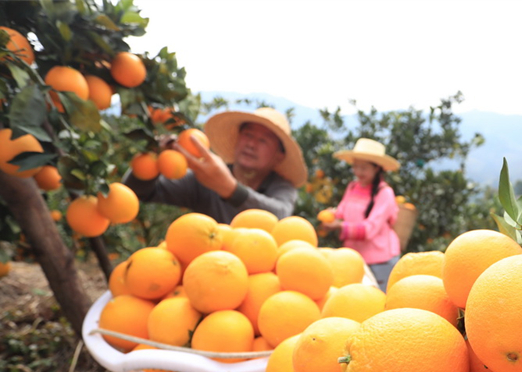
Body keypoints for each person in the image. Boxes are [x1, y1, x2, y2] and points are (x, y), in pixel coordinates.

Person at [123, 107, 307, 223]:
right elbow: (138, 192)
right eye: (248, 135)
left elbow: (279, 216)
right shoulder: (204, 177)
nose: (251, 144)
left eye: (263, 140)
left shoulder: (282, 186)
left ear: (278, 156)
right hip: (207, 272)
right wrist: (155, 158)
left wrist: (229, 189)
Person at [322, 138, 401, 292]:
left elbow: (370, 229)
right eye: (356, 167)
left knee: (378, 301)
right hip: (355, 258)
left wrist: (339, 226)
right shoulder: (352, 187)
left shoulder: (385, 193)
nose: (358, 172)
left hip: (380, 261)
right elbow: (342, 211)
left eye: (363, 168)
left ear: (376, 168)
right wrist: (332, 215)